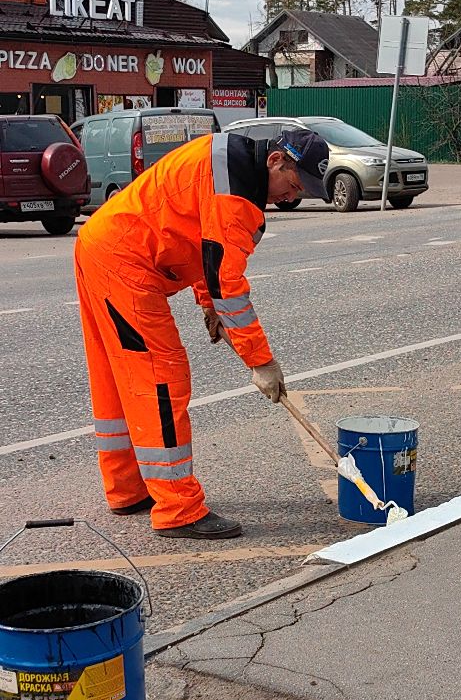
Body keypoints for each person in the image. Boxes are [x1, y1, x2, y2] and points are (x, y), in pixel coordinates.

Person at [74, 127, 330, 541]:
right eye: (294, 185)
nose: (291, 198)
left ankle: (127, 487)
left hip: (105, 245)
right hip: (126, 262)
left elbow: (197, 236)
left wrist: (208, 304)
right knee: (161, 378)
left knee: (118, 377)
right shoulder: (237, 196)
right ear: (275, 161)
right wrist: (261, 362)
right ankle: (177, 508)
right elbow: (228, 285)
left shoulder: (230, 162)